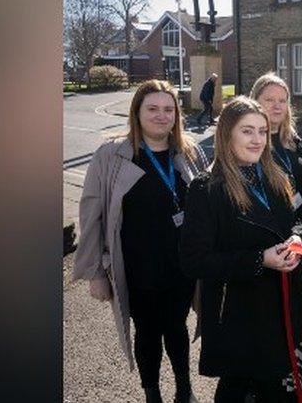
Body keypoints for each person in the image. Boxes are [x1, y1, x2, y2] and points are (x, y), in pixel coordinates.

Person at [179, 96, 302, 402]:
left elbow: (295, 222)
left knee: (279, 391)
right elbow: (194, 261)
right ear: (227, 134)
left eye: (262, 131)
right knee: (239, 390)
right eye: (247, 131)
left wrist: (298, 240)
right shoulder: (206, 188)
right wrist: (260, 260)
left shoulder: (277, 177)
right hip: (239, 317)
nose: (257, 139)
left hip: (282, 309)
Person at [72, 80, 209, 403]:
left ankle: (184, 389)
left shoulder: (189, 152)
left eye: (168, 109)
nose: (161, 116)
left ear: (177, 114)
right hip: (137, 268)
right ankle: (152, 393)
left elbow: (207, 206)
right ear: (137, 112)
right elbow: (92, 214)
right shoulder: (111, 154)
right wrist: (94, 272)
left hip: (181, 267)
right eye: (152, 109)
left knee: (176, 327)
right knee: (147, 334)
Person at [250, 73, 302, 230]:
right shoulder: (250, 146)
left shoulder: (294, 142)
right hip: (272, 240)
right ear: (254, 102)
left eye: (282, 101)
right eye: (269, 100)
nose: (277, 106)